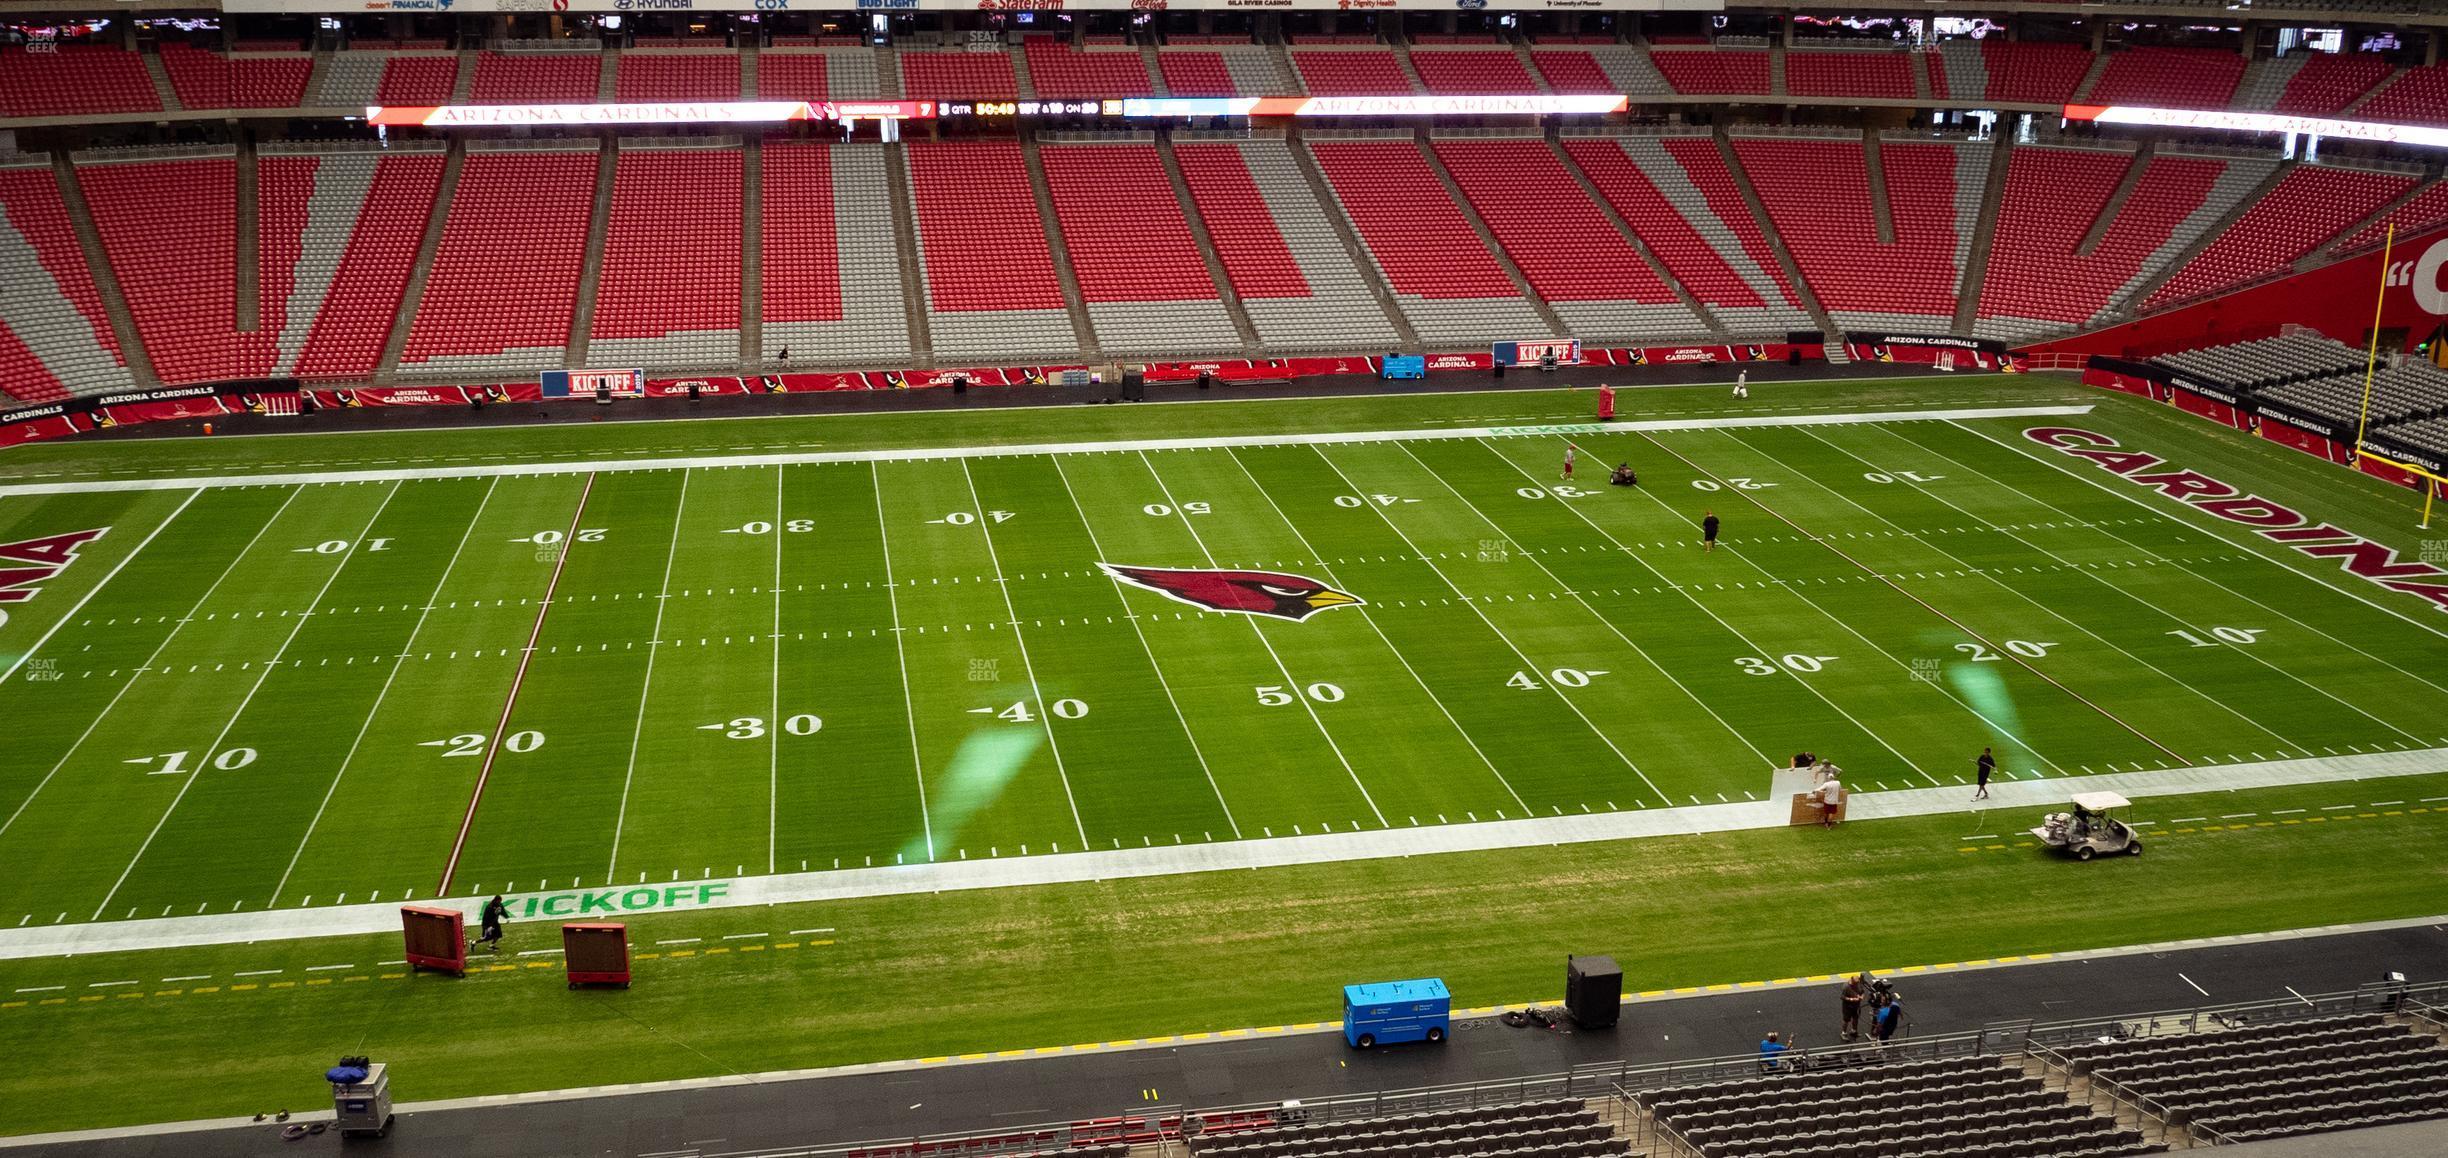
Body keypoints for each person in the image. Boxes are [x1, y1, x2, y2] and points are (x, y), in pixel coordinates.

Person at [1840, 974, 1866, 1042]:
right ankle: (1843, 1033)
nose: (1856, 985)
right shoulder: (1846, 987)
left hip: (1857, 1005)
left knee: (1856, 1018)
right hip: (1848, 1007)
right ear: (1852, 980)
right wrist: (1852, 999)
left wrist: (1862, 996)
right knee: (1846, 1020)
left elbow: (1863, 992)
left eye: (1857, 983)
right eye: (1855, 983)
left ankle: (1854, 1031)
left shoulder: (1859, 984)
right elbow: (1842, 997)